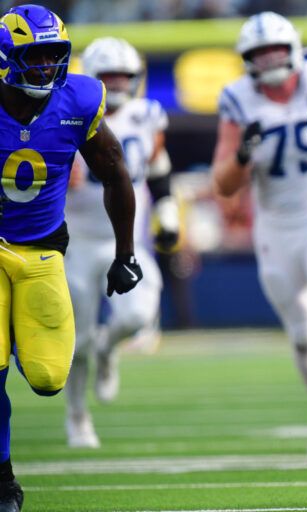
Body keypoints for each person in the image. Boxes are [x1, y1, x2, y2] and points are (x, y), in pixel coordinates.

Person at [0, 4, 142, 510]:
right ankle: (4, 480)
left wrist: (125, 252)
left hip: (41, 251)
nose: (45, 69)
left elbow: (115, 171)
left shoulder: (79, 98)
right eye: (33, 58)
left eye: (53, 57)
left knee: (47, 377)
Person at [211, 12, 307, 459]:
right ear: (247, 60)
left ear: (293, 48)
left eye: (275, 49)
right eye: (259, 53)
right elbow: (224, 183)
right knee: (301, 331)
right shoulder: (237, 99)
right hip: (275, 224)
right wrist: (242, 154)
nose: (269, 59)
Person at [63, 37, 179, 449]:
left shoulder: (148, 114)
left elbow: (159, 165)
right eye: (108, 78)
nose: (117, 84)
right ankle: (77, 418)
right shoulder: (67, 116)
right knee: (73, 344)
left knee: (136, 317)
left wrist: (168, 212)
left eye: (123, 77)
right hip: (75, 241)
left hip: (127, 240)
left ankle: (107, 348)